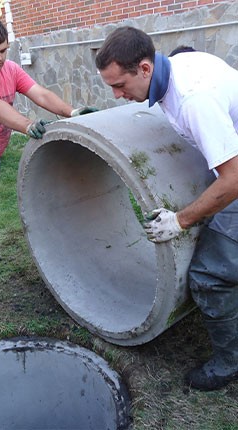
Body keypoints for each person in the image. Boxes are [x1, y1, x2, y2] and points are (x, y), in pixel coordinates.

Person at [95, 26, 238, 391]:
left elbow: (233, 180)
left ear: (144, 68)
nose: (117, 95)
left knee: (209, 274)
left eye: (120, 85)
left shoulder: (194, 101)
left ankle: (228, 364)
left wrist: (180, 219)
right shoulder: (175, 67)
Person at [0, 16, 97, 286]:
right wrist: (28, 125)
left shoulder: (11, 70)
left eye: (4, 50)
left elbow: (39, 93)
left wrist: (71, 112)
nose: (0, 57)